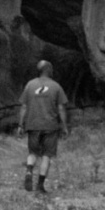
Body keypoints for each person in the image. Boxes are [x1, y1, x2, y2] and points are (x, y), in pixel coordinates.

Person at [17, 60, 69, 193]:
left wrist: (20, 125)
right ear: (48, 70)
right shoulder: (56, 86)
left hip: (33, 124)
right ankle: (40, 186)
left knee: (32, 153)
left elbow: (24, 106)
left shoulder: (30, 85)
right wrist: (64, 126)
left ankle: (29, 170)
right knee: (47, 155)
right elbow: (61, 108)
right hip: (50, 126)